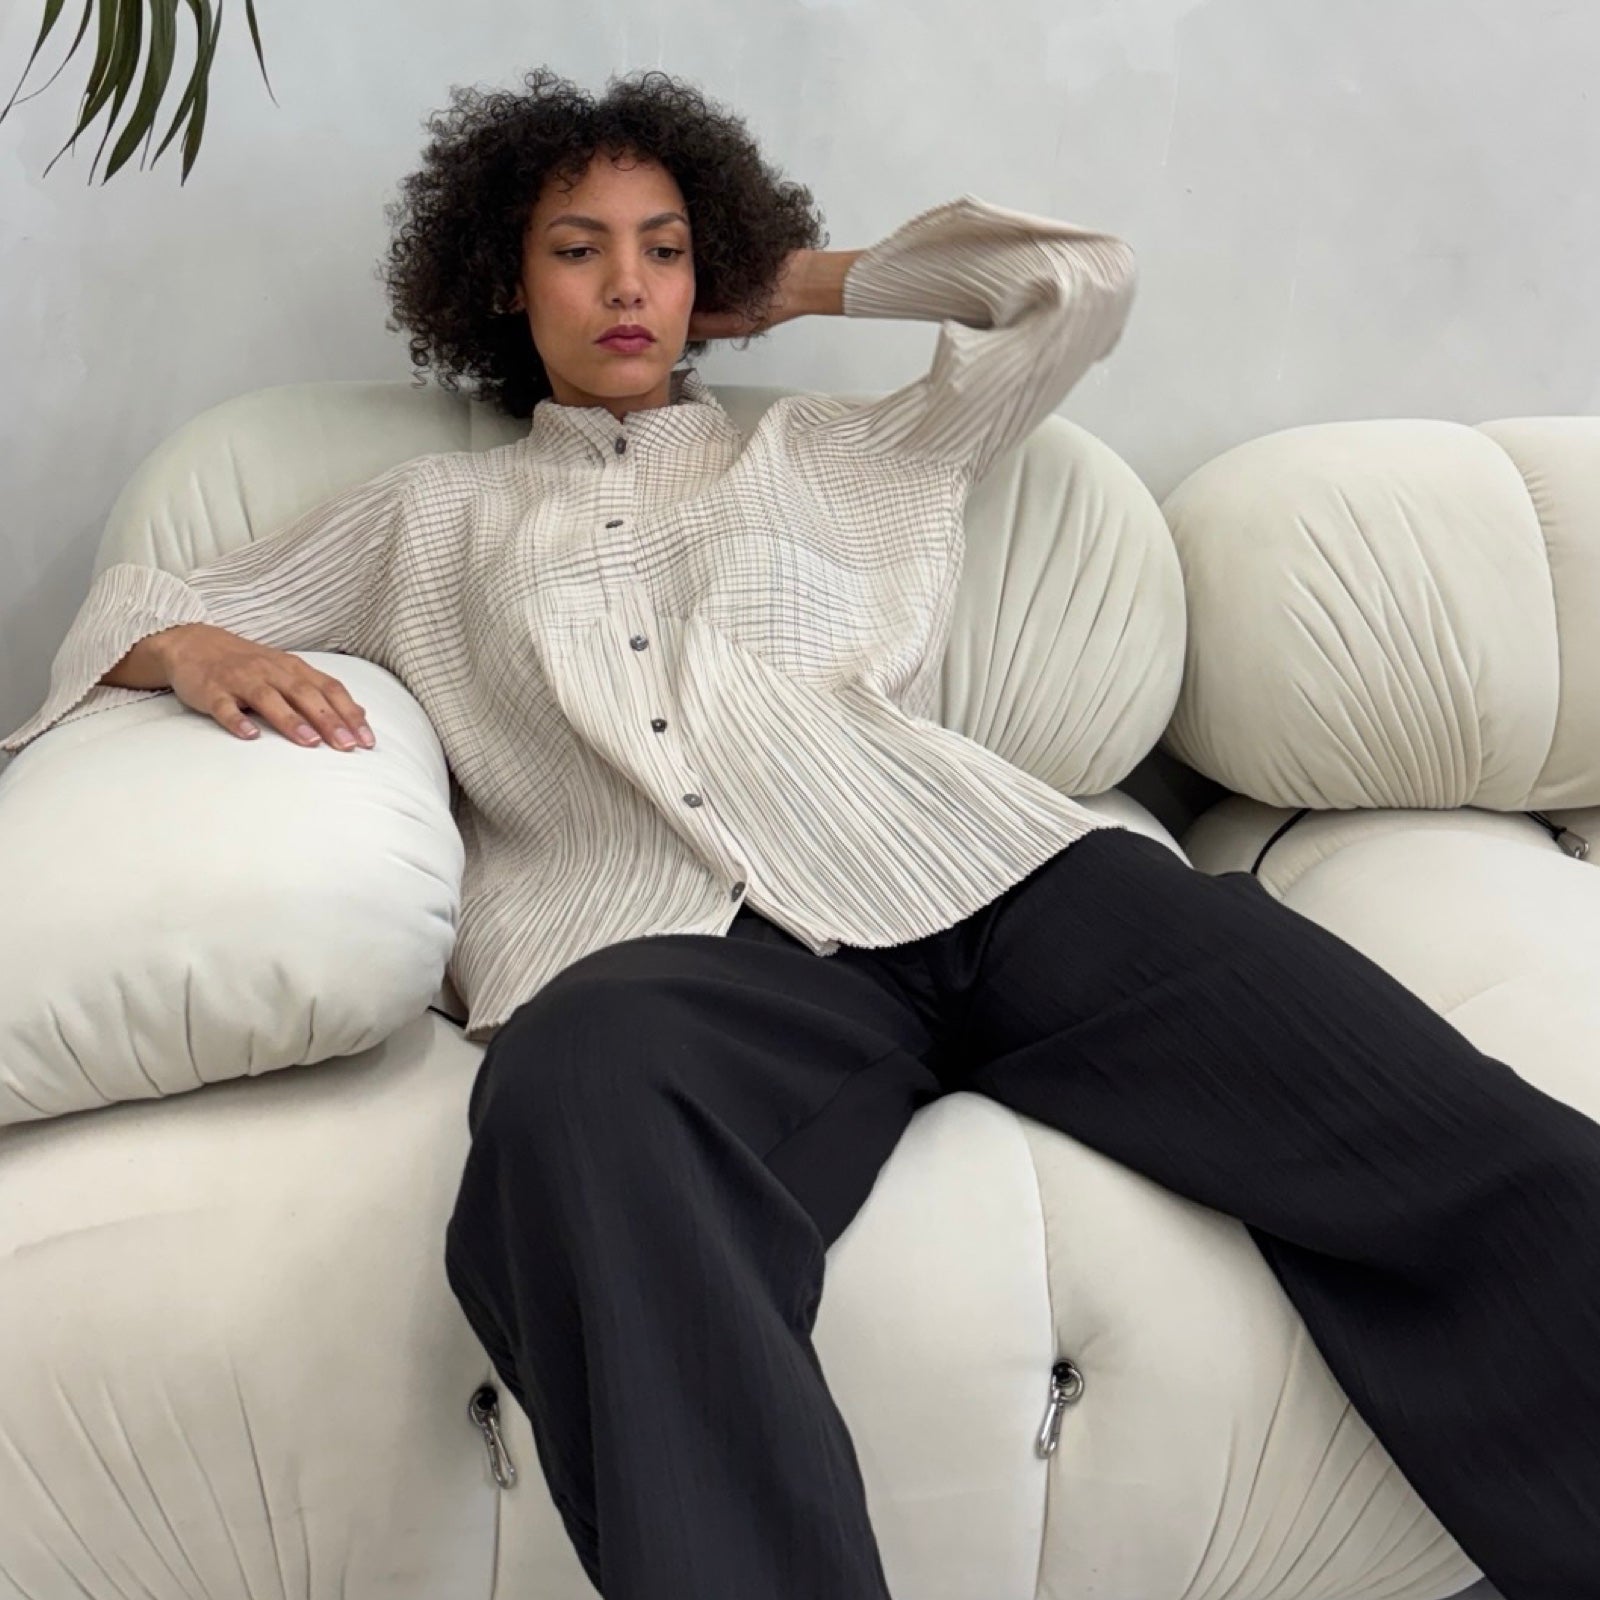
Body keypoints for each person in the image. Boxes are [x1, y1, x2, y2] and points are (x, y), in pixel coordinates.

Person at [5, 64, 1597, 1600]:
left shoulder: (851, 451)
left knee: (1453, 1129)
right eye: (578, 249)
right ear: (501, 280)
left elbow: (1076, 284)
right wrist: (188, 648)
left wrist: (790, 281)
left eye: (664, 248)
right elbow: (140, 596)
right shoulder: (422, 521)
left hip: (991, 876)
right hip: (677, 956)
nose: (627, 285)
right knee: (571, 1100)